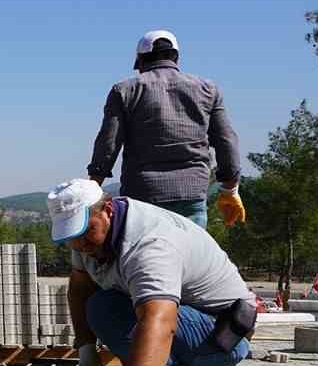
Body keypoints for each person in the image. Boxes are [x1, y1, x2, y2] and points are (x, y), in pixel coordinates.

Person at [48, 179, 257, 366]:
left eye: (87, 232)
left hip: (221, 336)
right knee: (102, 304)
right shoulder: (86, 242)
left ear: (108, 209)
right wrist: (86, 348)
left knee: (108, 309)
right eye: (71, 236)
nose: (80, 244)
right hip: (189, 323)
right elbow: (80, 288)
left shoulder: (149, 243)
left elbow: (159, 321)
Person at [86, 30, 247, 229]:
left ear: (141, 61)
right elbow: (226, 141)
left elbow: (108, 144)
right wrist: (230, 190)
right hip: (192, 193)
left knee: (148, 258)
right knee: (190, 257)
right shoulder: (208, 89)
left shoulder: (125, 90)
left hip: (143, 196)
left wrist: (92, 188)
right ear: (176, 58)